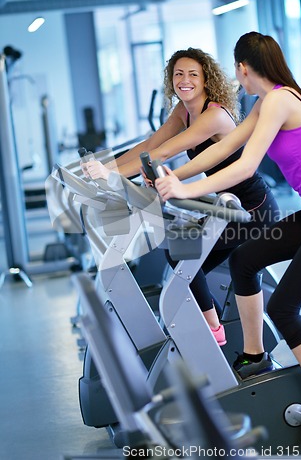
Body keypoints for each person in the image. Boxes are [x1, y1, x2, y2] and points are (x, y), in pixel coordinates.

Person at [155, 32, 301, 447]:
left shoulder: (279, 100)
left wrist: (186, 190)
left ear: (242, 67)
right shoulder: (266, 103)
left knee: (285, 308)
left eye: (239, 74)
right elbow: (225, 148)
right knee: (246, 259)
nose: (239, 82)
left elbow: (246, 165)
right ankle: (255, 355)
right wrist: (171, 178)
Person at [84, 47, 279, 347]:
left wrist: (112, 176)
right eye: (178, 74)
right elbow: (151, 144)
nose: (184, 80)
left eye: (192, 75)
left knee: (181, 252)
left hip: (254, 208)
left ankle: (213, 330)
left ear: (205, 79)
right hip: (227, 206)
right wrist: (107, 169)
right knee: (186, 263)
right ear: (170, 79)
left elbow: (163, 153)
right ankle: (213, 328)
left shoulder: (214, 115)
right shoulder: (183, 111)